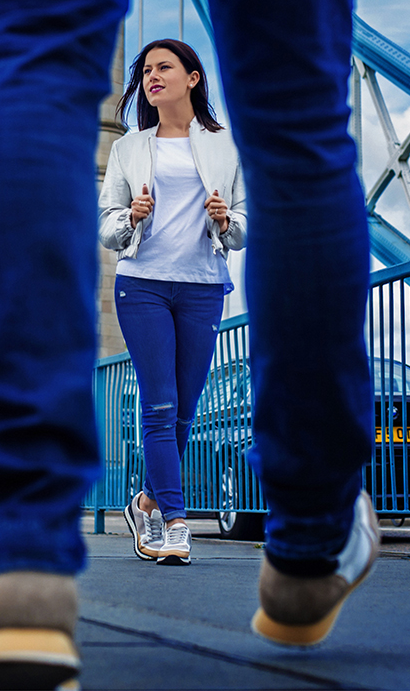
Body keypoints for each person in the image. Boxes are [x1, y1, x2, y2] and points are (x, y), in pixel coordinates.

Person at [0, 0, 377, 687]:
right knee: (296, 121)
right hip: (152, 280)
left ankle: (18, 561)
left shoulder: (200, 145)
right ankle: (311, 542)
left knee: (28, 64)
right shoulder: (134, 147)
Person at [99, 38, 247, 566]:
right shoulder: (128, 148)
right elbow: (106, 225)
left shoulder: (226, 146)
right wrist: (130, 217)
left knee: (185, 413)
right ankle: (175, 522)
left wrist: (227, 220)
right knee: (159, 407)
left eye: (164, 67)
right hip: (142, 284)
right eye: (144, 72)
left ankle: (143, 501)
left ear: (193, 78)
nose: (151, 77)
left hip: (203, 287)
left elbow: (246, 226)